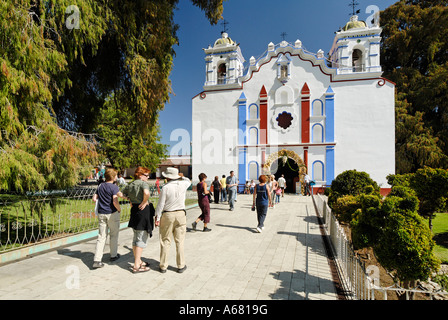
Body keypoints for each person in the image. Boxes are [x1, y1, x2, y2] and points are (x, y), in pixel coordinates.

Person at [155, 167, 191, 273]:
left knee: (165, 240)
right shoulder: (183, 184)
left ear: (167, 177)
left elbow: (160, 204)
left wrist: (157, 217)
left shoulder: (165, 187)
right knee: (180, 241)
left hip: (168, 214)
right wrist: (182, 176)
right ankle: (181, 265)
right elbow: (188, 180)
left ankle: (163, 266)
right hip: (180, 214)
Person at [122, 167, 153, 273]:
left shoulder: (130, 184)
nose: (148, 177)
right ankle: (136, 265)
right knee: (141, 237)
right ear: (140, 175)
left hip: (134, 210)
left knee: (135, 237)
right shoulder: (143, 184)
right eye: (146, 175)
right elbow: (146, 193)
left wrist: (130, 199)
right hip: (142, 212)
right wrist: (144, 202)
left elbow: (120, 194)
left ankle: (139, 261)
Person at [92, 168, 124, 269]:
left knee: (101, 236)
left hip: (101, 213)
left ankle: (97, 260)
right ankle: (113, 255)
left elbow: (94, 198)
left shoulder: (100, 186)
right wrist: (119, 209)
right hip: (112, 214)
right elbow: (115, 201)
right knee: (114, 235)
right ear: (113, 177)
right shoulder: (114, 187)